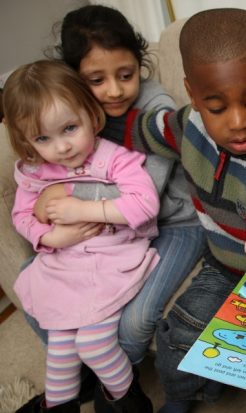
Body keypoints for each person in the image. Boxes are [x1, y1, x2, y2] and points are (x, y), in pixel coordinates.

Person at [101, 8, 246, 413]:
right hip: (219, 264)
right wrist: (94, 120)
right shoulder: (190, 125)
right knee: (176, 330)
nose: (238, 122)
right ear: (193, 94)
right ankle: (183, 396)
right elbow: (146, 131)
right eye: (216, 107)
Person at [23, 3, 208, 371]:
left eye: (126, 75)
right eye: (97, 80)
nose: (114, 91)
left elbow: (145, 197)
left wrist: (69, 198)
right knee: (34, 289)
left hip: (176, 223)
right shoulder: (71, 110)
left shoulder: (155, 108)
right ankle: (86, 372)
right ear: (74, 77)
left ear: (139, 65)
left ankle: (121, 382)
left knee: (135, 323)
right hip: (113, 230)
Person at [4, 60, 157, 412]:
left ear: (91, 114)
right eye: (43, 138)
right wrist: (49, 238)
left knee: (93, 344)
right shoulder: (34, 170)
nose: (61, 148)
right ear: (27, 141)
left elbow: (145, 204)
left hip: (111, 257)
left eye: (70, 128)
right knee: (60, 347)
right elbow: (22, 217)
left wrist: (81, 210)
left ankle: (129, 403)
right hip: (64, 261)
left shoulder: (115, 157)